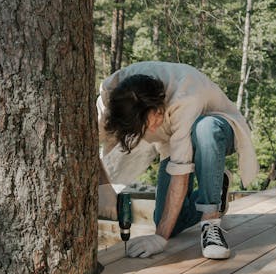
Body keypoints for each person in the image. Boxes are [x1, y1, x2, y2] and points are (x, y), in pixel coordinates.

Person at [97, 61, 258, 259]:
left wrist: (159, 239)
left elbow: (180, 174)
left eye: (154, 120)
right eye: (147, 127)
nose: (154, 130)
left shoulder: (185, 96)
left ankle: (210, 224)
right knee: (168, 224)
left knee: (204, 129)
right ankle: (218, 186)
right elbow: (85, 143)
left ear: (158, 105)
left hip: (220, 129)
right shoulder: (111, 99)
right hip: (175, 142)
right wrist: (105, 188)